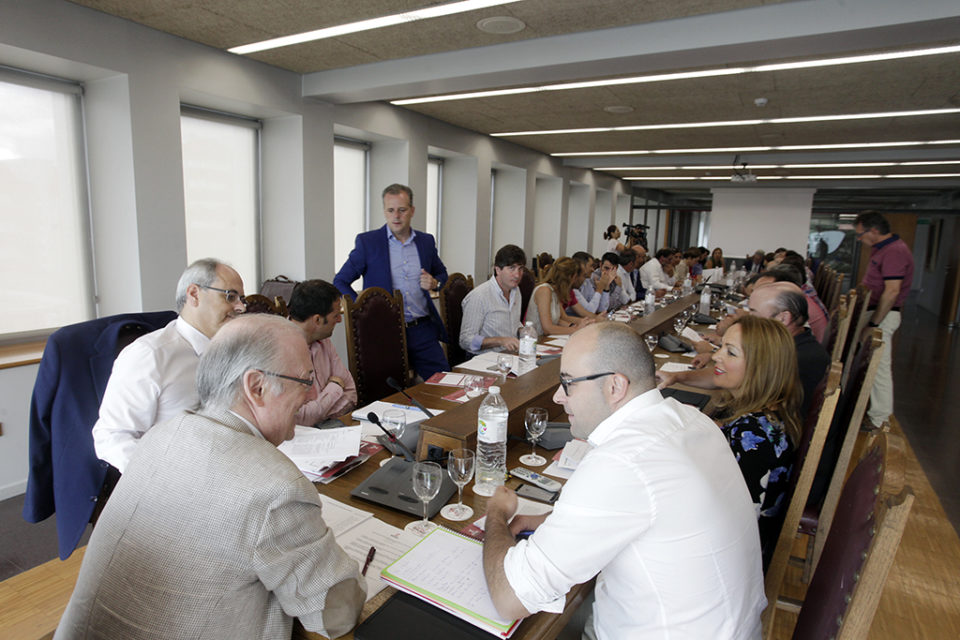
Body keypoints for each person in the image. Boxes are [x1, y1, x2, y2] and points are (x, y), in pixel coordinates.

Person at [56, 315, 365, 640]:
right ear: (257, 387)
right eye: (305, 381)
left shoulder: (159, 436)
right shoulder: (276, 488)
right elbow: (335, 617)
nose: (310, 395)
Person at [481, 323, 765, 639]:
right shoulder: (692, 419)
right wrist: (553, 519)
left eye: (568, 383)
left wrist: (496, 514)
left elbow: (509, 598)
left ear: (615, 386)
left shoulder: (622, 462)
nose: (559, 396)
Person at [92, 258, 246, 474]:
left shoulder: (231, 348)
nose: (240, 307)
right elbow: (112, 437)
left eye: (241, 298)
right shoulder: (150, 355)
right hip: (175, 477)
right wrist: (164, 479)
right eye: (230, 296)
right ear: (194, 294)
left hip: (230, 463)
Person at [664, 282, 829, 422]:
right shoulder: (795, 345)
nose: (745, 316)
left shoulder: (798, 360)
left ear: (782, 318)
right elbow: (722, 374)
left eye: (753, 312)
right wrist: (677, 376)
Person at [334, 183, 449, 380]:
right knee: (390, 393)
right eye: (391, 210)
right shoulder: (368, 243)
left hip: (422, 330)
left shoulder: (426, 241)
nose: (396, 216)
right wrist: (363, 309)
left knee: (446, 384)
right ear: (384, 211)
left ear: (412, 211)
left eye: (402, 210)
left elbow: (442, 274)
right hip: (383, 331)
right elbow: (340, 281)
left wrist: (435, 282)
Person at [711, 315, 802, 559]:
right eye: (720, 347)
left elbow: (732, 520)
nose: (715, 356)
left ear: (759, 367)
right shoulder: (766, 415)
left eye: (730, 352)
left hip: (732, 558)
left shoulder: (753, 436)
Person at [854, 210, 913, 428]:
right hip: (874, 312)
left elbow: (891, 291)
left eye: (861, 235)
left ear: (875, 230)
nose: (860, 240)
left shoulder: (895, 251)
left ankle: (880, 419)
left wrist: (873, 323)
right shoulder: (883, 249)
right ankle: (871, 411)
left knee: (879, 367)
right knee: (871, 365)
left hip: (882, 316)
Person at [287, 279, 357, 425]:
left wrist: (317, 413)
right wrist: (334, 388)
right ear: (317, 320)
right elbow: (297, 419)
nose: (339, 320)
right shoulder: (278, 350)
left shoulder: (323, 339)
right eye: (336, 315)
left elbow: (351, 393)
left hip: (331, 428)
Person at [459, 244, 526, 355]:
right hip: (483, 360)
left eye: (520, 269)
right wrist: (500, 340)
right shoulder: (479, 296)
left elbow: (510, 322)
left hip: (509, 356)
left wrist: (522, 330)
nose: (517, 275)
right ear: (498, 269)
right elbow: (465, 341)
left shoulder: (516, 291)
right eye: (512, 268)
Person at [525, 257, 591, 336]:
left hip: (547, 339)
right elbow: (547, 328)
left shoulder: (555, 292)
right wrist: (575, 329)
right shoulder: (544, 290)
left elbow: (562, 318)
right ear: (570, 277)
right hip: (535, 341)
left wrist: (583, 322)